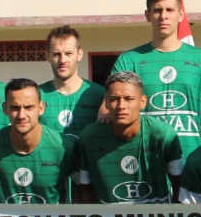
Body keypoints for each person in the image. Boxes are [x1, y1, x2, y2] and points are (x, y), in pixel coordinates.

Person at [112, 0, 201, 157]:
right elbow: (109, 109)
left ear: (181, 14)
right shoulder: (129, 60)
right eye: (157, 10)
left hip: (189, 161)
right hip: (145, 161)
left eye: (170, 10)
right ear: (147, 15)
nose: (164, 16)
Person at [72, 72, 184, 204]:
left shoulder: (164, 135)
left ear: (142, 102)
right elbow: (84, 188)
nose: (121, 106)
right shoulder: (88, 138)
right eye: (114, 99)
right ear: (106, 102)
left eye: (128, 99)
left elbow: (180, 187)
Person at [0, 79, 68, 204]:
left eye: (29, 107)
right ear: (5, 108)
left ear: (41, 108)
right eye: (15, 108)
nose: (21, 115)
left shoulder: (63, 147)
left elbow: (82, 187)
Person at [41, 25, 107, 165]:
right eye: (56, 54)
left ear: (80, 54)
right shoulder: (37, 96)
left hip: (87, 178)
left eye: (68, 53)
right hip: (50, 179)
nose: (63, 60)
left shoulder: (99, 95)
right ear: (47, 56)